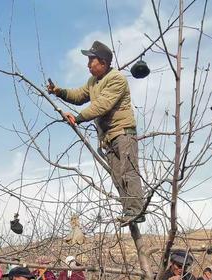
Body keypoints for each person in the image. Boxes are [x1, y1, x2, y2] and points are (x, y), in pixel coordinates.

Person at [47, 40, 145, 225]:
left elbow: (102, 106)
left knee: (128, 172)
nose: (88, 64)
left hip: (123, 133)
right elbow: (78, 95)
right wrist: (58, 91)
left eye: (91, 60)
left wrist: (77, 118)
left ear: (103, 62)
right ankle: (129, 211)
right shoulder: (93, 81)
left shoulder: (116, 79)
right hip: (108, 138)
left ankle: (136, 211)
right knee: (118, 176)